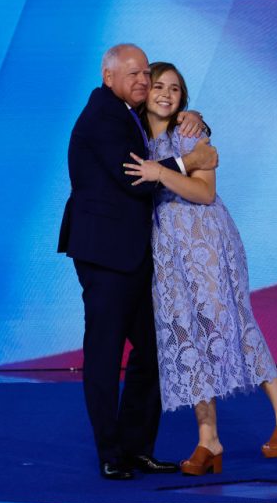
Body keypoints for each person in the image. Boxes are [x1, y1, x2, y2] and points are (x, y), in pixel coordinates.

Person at [123, 62, 277, 476]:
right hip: (166, 250)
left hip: (207, 242)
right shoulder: (131, 133)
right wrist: (159, 168)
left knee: (232, 323)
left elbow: (205, 193)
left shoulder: (191, 132)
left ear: (184, 99)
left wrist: (161, 172)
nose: (166, 94)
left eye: (175, 88)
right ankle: (209, 440)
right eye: (158, 86)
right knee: (186, 334)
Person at [58, 44, 218, 480]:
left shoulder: (127, 111)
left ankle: (137, 447)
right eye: (134, 74)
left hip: (134, 255)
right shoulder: (103, 115)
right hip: (106, 256)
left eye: (147, 73)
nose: (144, 82)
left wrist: (193, 115)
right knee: (105, 354)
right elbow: (136, 176)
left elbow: (166, 119)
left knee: (153, 350)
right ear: (108, 76)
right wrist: (190, 161)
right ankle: (111, 453)